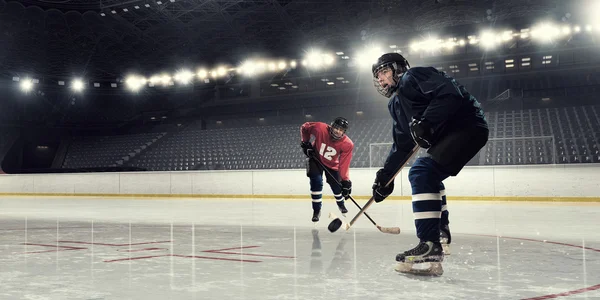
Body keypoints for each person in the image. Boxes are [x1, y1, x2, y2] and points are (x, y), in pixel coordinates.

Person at [370, 53, 489, 275]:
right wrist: (385, 177)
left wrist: (427, 121)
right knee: (428, 174)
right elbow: (402, 146)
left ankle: (430, 244)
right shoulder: (395, 105)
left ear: (398, 69)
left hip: (467, 125)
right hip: (449, 135)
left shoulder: (414, 76)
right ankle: (440, 232)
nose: (381, 79)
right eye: (378, 76)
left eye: (384, 72)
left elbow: (450, 93)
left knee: (421, 172)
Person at [300, 117, 354, 222]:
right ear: (331, 126)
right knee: (316, 182)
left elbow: (344, 164)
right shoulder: (320, 127)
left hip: (332, 164)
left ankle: (341, 205)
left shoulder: (347, 144)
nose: (338, 131)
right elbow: (305, 127)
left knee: (337, 187)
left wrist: (345, 180)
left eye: (341, 130)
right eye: (336, 128)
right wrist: (305, 142)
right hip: (316, 159)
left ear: (344, 132)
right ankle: (316, 210)